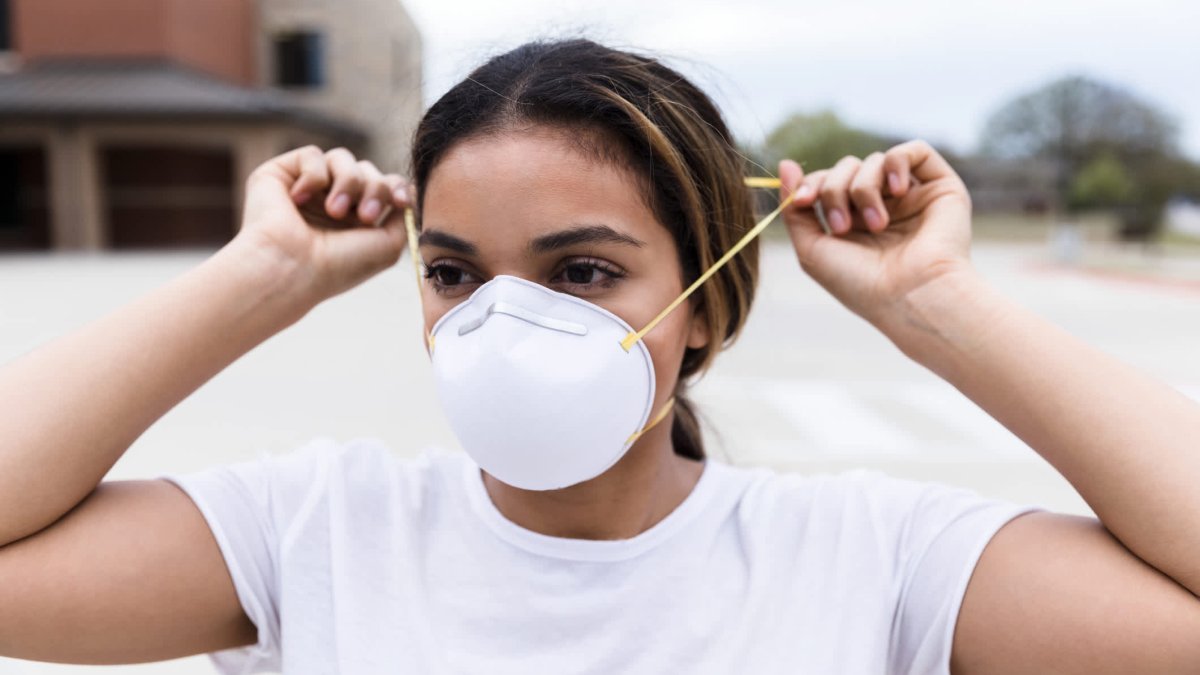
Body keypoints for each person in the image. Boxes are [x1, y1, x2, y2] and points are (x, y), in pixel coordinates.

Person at [0, 38, 1197, 674]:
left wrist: (937, 302)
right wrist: (258, 276)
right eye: (454, 272)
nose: (502, 320)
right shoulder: (313, 533)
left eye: (581, 271)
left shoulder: (872, 561)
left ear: (705, 305)